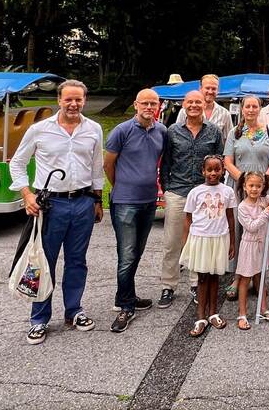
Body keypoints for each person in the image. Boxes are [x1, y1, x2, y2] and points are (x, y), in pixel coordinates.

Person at [10, 79, 105, 345]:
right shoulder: (40, 130)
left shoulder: (94, 129)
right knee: (44, 262)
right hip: (51, 205)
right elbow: (16, 164)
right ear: (59, 100)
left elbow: (96, 168)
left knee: (77, 261)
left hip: (83, 202)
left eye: (78, 99)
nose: (73, 104)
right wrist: (27, 195)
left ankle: (74, 311)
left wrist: (97, 201)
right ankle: (39, 319)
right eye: (68, 99)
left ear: (84, 100)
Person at [104, 89, 166, 334]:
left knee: (137, 252)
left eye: (153, 103)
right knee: (127, 254)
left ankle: (128, 295)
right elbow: (108, 163)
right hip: (125, 202)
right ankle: (125, 304)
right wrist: (120, 185)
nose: (149, 107)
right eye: (145, 103)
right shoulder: (122, 131)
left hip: (149, 200)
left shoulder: (161, 131)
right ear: (135, 104)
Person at [158, 90, 225, 310]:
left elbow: (219, 161)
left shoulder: (214, 131)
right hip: (178, 191)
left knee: (200, 240)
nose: (194, 105)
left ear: (203, 104)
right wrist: (167, 188)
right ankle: (168, 285)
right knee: (172, 241)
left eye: (198, 102)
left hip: (204, 193)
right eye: (190, 102)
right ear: (184, 105)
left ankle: (196, 283)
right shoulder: (172, 131)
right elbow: (166, 161)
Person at [223, 95, 269, 300]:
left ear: (260, 108)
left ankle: (258, 276)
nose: (251, 110)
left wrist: (264, 179)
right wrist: (243, 182)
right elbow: (227, 160)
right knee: (240, 232)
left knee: (260, 232)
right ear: (242, 109)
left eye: (255, 106)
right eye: (248, 106)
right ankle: (238, 278)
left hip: (262, 188)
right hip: (240, 187)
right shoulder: (234, 132)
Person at [181, 155, 237, 337]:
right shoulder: (195, 192)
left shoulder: (228, 191)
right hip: (201, 239)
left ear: (223, 171)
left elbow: (230, 217)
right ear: (203, 171)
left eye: (217, 169)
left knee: (215, 276)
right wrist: (186, 242)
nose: (213, 173)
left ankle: (213, 313)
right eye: (209, 169)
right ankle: (200, 317)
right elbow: (188, 219)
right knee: (202, 277)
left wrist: (232, 241)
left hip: (219, 238)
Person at [234, 171, 269, 329]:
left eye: (258, 186)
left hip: (263, 244)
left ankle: (263, 309)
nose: (255, 189)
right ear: (245, 186)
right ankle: (242, 314)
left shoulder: (266, 199)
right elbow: (252, 227)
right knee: (245, 279)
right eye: (251, 185)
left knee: (261, 277)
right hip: (250, 245)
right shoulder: (242, 207)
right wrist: (267, 211)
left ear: (263, 187)